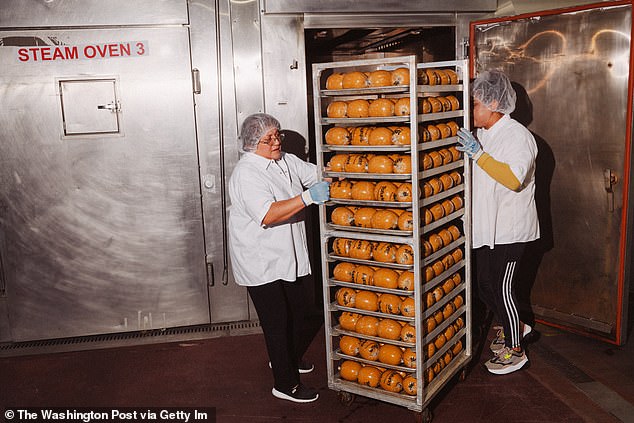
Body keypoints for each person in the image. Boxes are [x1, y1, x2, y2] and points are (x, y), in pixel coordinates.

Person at [227, 113, 329, 402]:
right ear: (251, 143)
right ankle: (285, 384)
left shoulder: (285, 160)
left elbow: (317, 174)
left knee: (300, 312)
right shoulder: (247, 173)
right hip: (260, 260)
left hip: (288, 254)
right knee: (276, 321)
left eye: (278, 135)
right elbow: (268, 214)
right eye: (267, 138)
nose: (275, 142)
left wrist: (350, 168)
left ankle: (286, 357)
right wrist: (308, 198)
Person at [456, 70, 539, 375]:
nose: (471, 110)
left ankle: (516, 350)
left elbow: (514, 179)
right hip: (488, 226)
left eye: (475, 103)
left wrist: (478, 155)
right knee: (484, 286)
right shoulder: (486, 134)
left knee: (503, 289)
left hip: (510, 228)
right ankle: (515, 325)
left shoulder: (519, 137)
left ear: (492, 103)